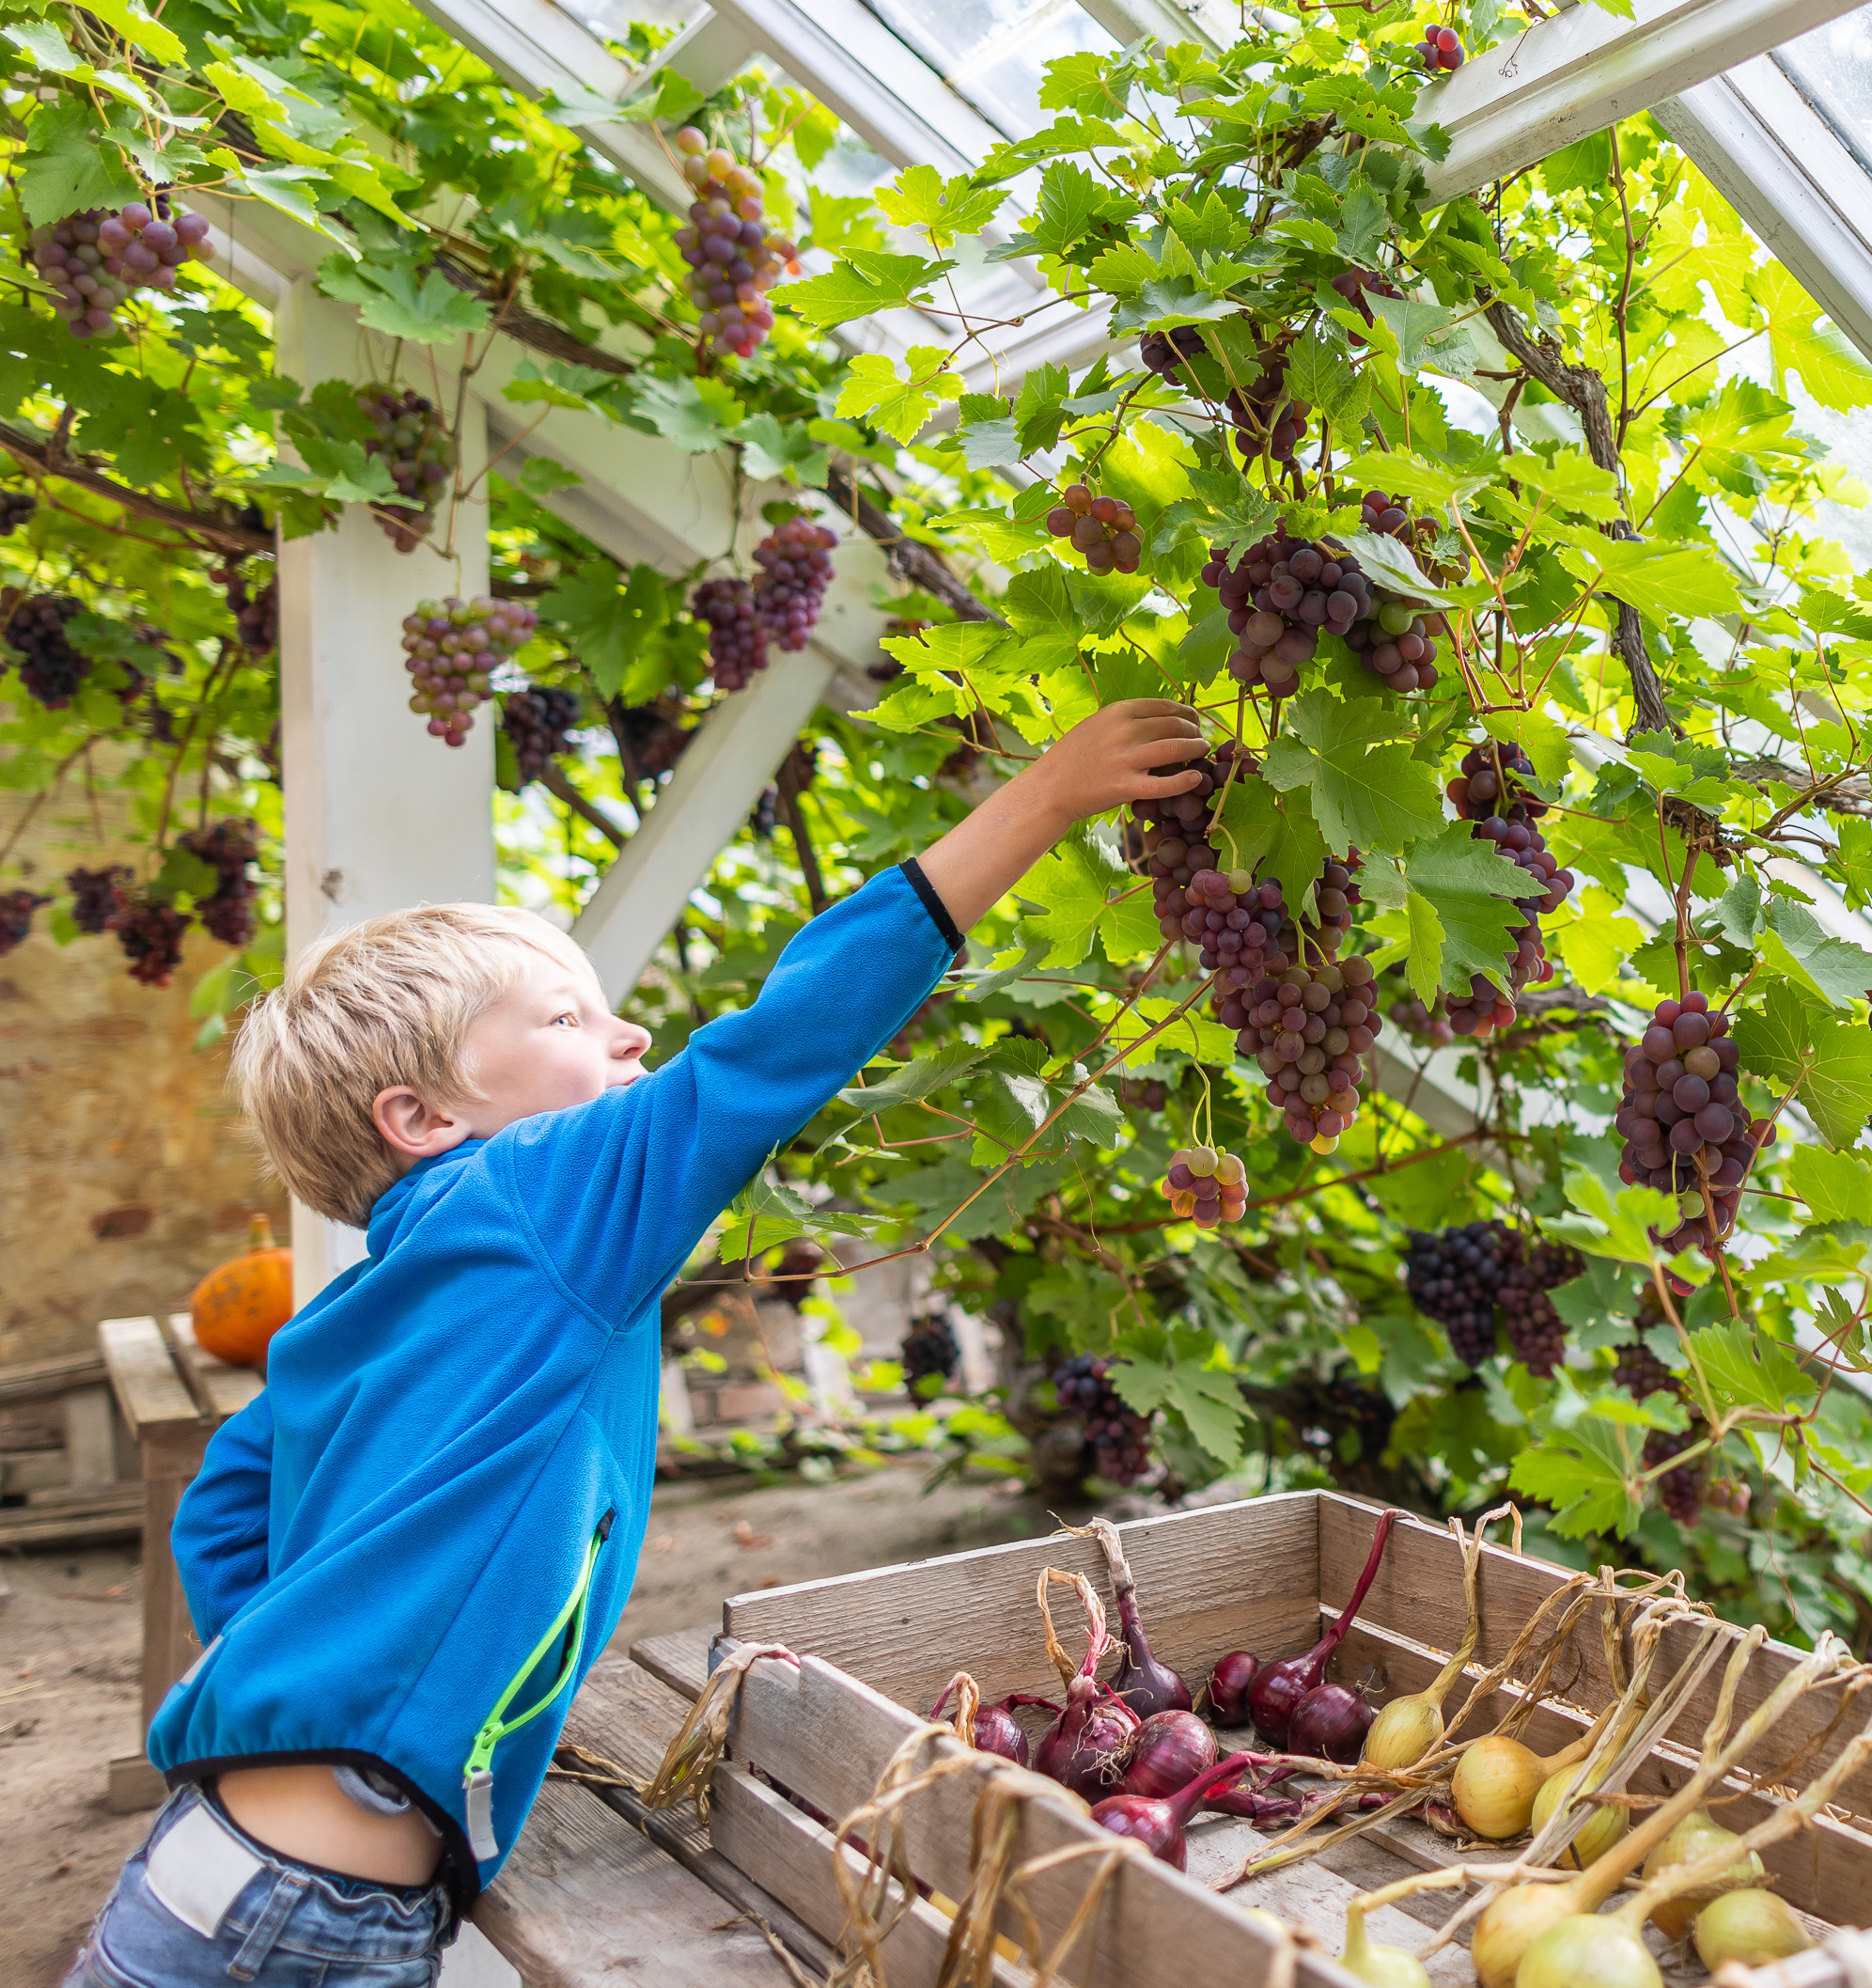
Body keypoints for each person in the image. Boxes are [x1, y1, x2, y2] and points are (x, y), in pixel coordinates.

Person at [63, 697, 1209, 1988]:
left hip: (215, 1867)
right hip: (314, 1915)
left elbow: (220, 1511)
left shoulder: (354, 1311)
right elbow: (776, 1045)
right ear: (425, 1114)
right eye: (565, 1020)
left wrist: (315, 1660)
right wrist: (1044, 796)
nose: (627, 1040)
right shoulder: (545, 1194)